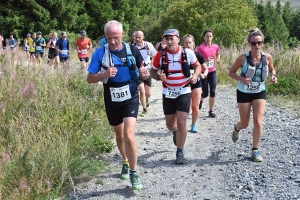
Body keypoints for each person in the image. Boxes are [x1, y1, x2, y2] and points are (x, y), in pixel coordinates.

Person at [87, 20, 148, 190]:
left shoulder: (132, 50)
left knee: (129, 135)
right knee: (119, 135)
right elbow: (90, 78)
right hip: (112, 97)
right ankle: (125, 161)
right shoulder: (100, 53)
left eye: (115, 37)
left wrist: (144, 74)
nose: (112, 41)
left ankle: (134, 173)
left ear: (122, 35)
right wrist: (104, 74)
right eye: (109, 38)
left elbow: (144, 71)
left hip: (130, 95)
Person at [150, 29, 201, 164]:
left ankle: (180, 152)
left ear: (178, 40)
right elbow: (152, 71)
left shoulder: (187, 53)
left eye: (172, 38)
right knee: (170, 124)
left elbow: (198, 67)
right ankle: (175, 132)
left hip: (184, 90)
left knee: (182, 121)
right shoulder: (160, 55)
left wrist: (195, 76)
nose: (170, 41)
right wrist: (157, 76)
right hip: (168, 91)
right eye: (167, 39)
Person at [228, 28, 277, 162]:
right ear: (249, 43)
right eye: (253, 43)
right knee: (245, 123)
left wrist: (273, 76)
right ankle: (237, 129)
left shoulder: (267, 57)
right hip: (244, 92)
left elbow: (272, 68)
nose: (256, 45)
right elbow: (231, 73)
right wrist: (242, 79)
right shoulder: (242, 58)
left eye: (259, 43)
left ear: (262, 43)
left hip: (259, 91)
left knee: (258, 122)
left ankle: (255, 150)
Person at [182, 34, 208, 133]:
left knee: (195, 106)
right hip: (184, 84)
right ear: (183, 44)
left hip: (196, 83)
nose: (188, 45)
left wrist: (203, 75)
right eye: (186, 43)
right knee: (186, 107)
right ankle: (181, 124)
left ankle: (193, 124)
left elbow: (205, 69)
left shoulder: (198, 55)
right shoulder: (180, 55)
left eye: (190, 42)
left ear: (193, 44)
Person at [197, 30, 220, 118]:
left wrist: (218, 59)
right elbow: (196, 59)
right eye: (207, 36)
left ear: (212, 37)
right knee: (205, 92)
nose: (209, 38)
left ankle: (211, 110)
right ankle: (201, 101)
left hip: (212, 71)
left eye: (210, 36)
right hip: (203, 72)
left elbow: (218, 54)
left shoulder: (215, 46)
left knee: (213, 91)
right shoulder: (201, 48)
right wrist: (204, 60)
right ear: (204, 37)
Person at [134, 31, 157, 117]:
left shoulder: (149, 45)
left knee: (148, 93)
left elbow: (155, 55)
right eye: (136, 37)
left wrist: (153, 66)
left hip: (147, 70)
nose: (137, 39)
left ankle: (146, 99)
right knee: (141, 90)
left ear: (143, 37)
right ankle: (144, 109)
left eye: (139, 37)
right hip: (138, 71)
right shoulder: (132, 47)